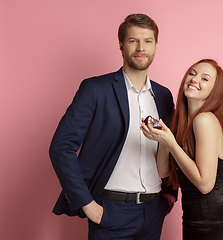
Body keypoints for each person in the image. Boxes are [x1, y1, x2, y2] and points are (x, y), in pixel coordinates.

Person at [49, 13, 177, 240]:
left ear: (156, 46)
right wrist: (87, 204)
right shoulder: (95, 90)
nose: (141, 48)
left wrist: (170, 194)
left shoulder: (164, 96)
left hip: (153, 212)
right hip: (110, 211)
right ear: (121, 46)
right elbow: (61, 147)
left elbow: (172, 146)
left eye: (148, 41)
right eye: (133, 40)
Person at [141, 59, 223, 240]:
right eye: (192, 73)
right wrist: (164, 139)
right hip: (192, 216)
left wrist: (171, 142)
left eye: (205, 79)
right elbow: (163, 171)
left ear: (215, 91)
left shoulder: (204, 120)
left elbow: (205, 185)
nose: (194, 79)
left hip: (218, 218)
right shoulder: (177, 120)